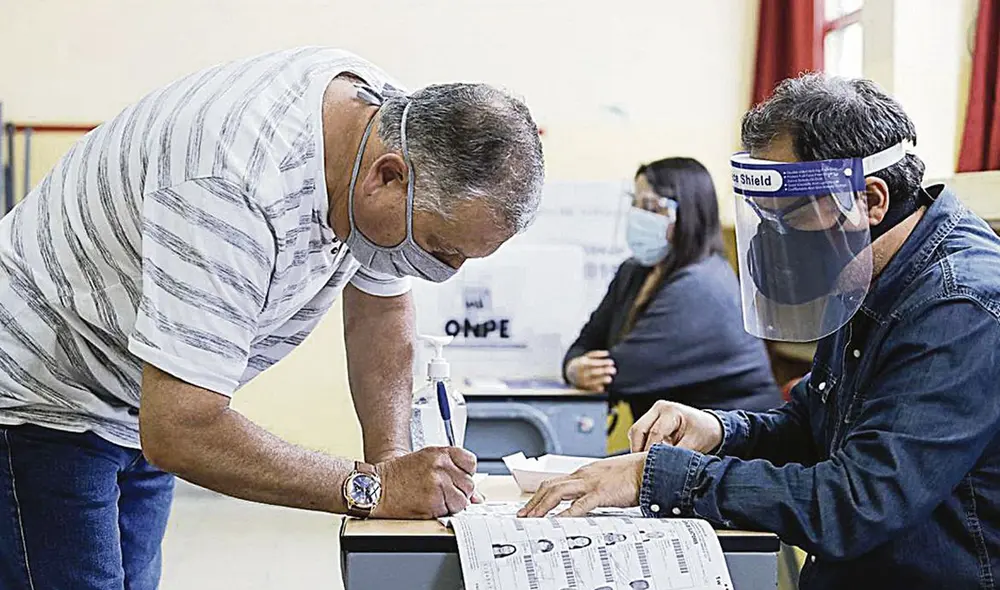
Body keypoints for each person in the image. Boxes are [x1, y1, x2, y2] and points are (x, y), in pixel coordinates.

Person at [0, 47, 544, 589]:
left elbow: (380, 308)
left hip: (134, 388)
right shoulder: (231, 182)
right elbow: (181, 428)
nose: (442, 271)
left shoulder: (386, 129)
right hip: (41, 388)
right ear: (387, 177)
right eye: (440, 248)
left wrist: (393, 461)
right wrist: (373, 488)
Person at [519, 73, 1000, 589]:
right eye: (762, 218)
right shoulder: (864, 268)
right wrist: (719, 430)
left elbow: (858, 502)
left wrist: (653, 477)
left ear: (868, 200)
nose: (773, 239)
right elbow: (811, 428)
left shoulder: (960, 305)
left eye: (785, 216)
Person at [563, 158, 780, 419]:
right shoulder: (634, 272)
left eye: (650, 207)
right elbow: (586, 342)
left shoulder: (702, 285)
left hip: (736, 435)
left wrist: (578, 369)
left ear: (688, 215)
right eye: (634, 203)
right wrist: (572, 368)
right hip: (676, 434)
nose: (638, 215)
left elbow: (621, 373)